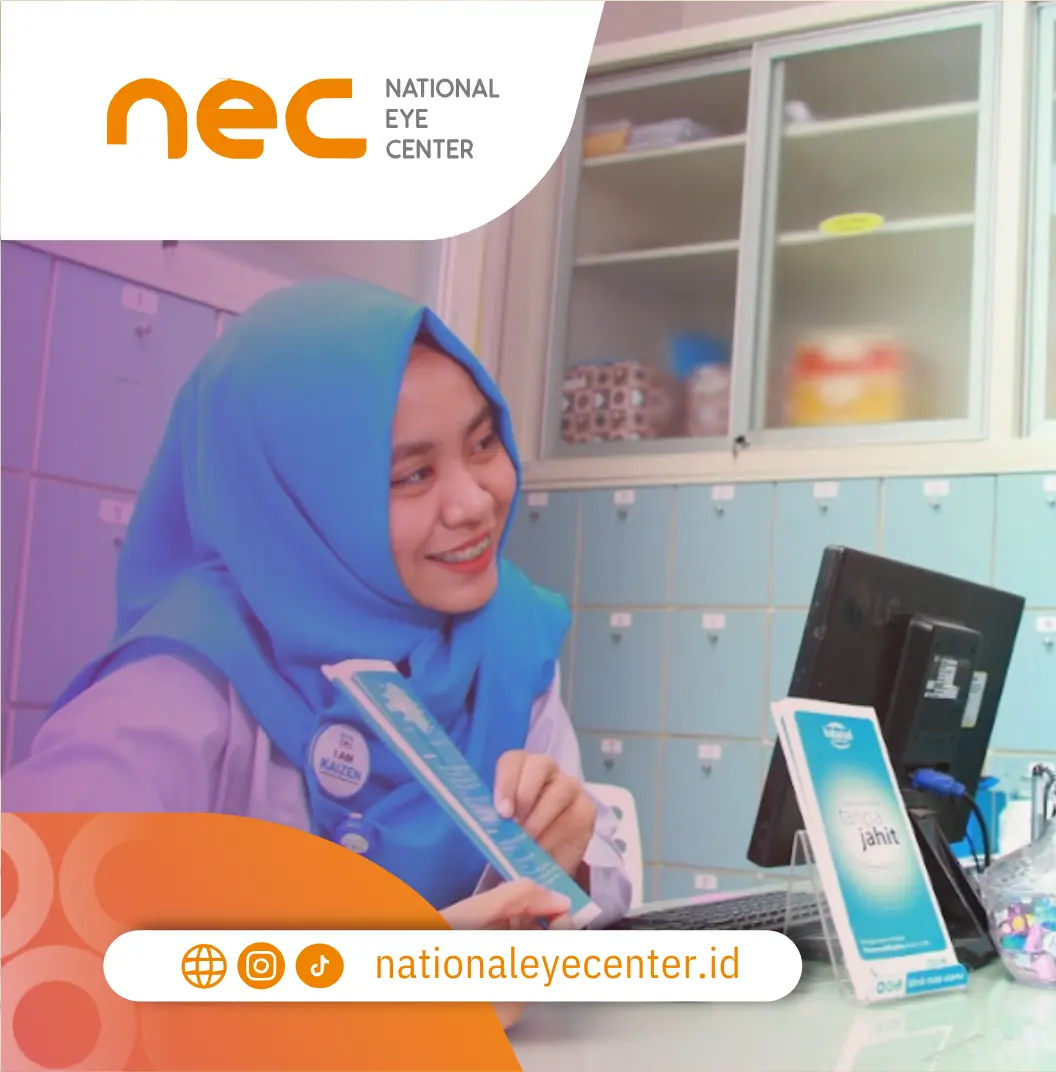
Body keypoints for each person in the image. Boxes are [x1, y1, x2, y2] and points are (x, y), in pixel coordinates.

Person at [2, 279, 633, 948]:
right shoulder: (195, 673)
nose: (475, 502)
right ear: (302, 493)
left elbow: (597, 891)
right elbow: (32, 928)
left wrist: (569, 858)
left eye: (482, 444)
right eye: (412, 475)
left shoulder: (506, 636)